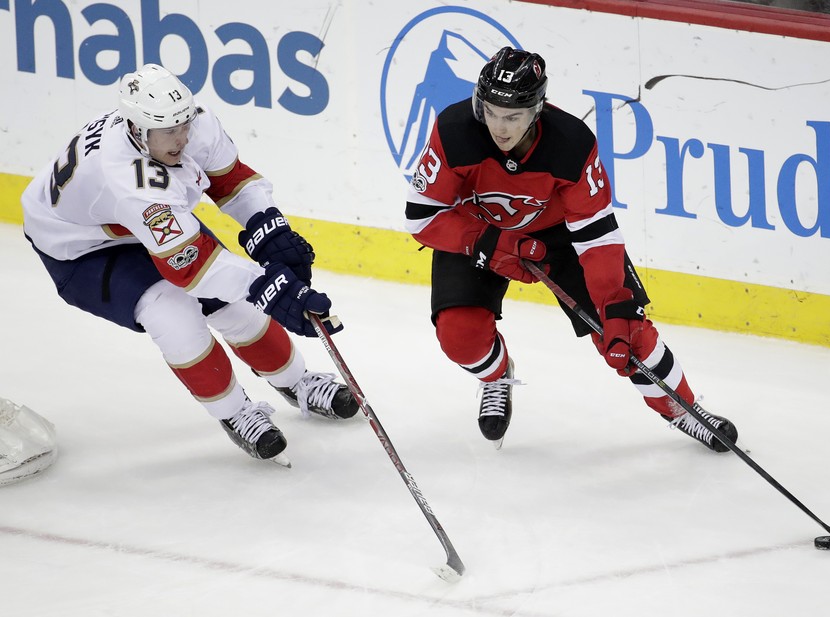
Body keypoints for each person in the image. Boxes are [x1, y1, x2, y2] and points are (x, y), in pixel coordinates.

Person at [21, 64, 359, 465]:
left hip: (138, 221)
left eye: (183, 123)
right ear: (136, 129)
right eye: (168, 130)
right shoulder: (128, 179)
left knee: (235, 306)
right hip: (80, 247)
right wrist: (273, 288)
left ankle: (296, 381)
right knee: (173, 311)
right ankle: (235, 412)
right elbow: (193, 269)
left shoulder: (188, 125)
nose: (182, 137)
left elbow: (230, 179)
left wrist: (269, 227)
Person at [405, 47, 739, 451]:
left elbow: (597, 236)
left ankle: (684, 409)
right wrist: (490, 242)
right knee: (459, 336)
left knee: (626, 331)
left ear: (537, 109)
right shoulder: (455, 129)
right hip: (476, 232)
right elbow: (422, 217)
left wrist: (614, 304)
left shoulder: (571, 144)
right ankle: (496, 376)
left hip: (559, 238)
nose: (499, 128)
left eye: (512, 117)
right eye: (490, 111)